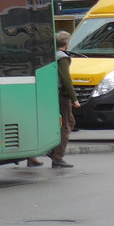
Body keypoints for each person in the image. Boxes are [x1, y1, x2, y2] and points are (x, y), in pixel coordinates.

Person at [49, 30, 76, 168]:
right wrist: (74, 98)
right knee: (66, 125)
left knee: (70, 122)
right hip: (62, 94)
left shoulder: (52, 55)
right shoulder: (63, 57)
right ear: (66, 43)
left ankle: (53, 150)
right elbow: (66, 79)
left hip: (54, 92)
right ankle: (57, 156)